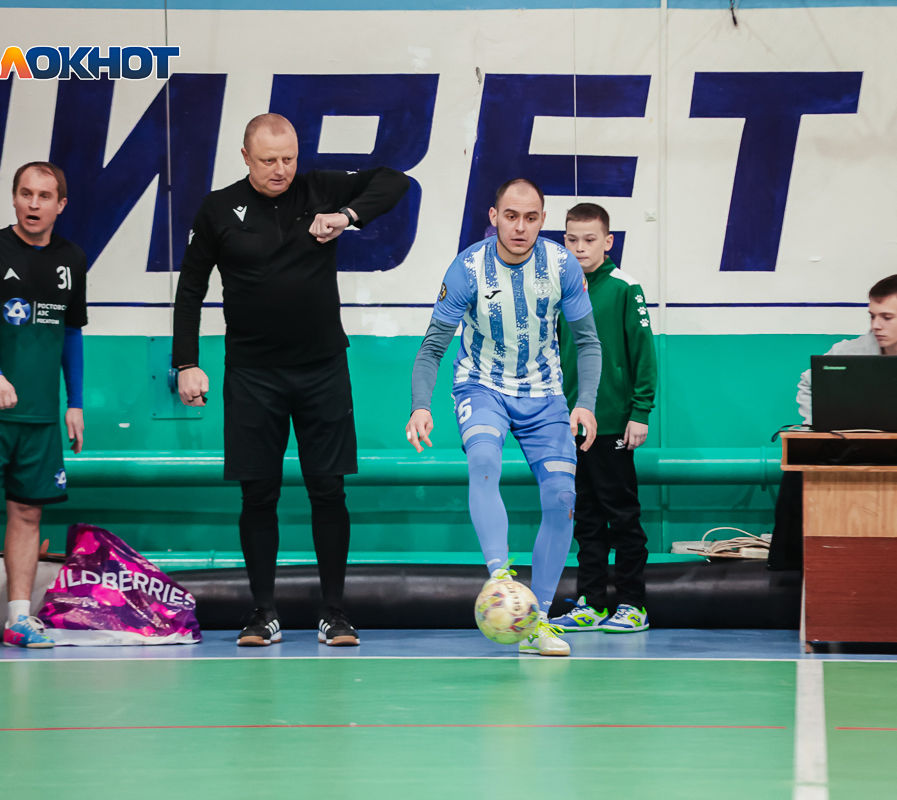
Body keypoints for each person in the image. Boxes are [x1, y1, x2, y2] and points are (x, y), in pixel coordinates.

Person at [173, 114, 408, 648]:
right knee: (258, 494)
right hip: (252, 374)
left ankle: (335, 613)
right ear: (245, 157)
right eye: (268, 160)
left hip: (322, 368)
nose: (281, 169)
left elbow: (394, 181)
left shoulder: (319, 189)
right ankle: (263, 613)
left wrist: (346, 216)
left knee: (329, 489)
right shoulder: (217, 209)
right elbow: (190, 288)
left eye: (289, 158)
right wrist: (186, 362)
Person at [406, 179, 602, 656]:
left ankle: (537, 622)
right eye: (511, 216)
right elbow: (432, 347)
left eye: (531, 218)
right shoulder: (467, 269)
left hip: (544, 396)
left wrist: (586, 402)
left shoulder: (562, 266)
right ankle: (501, 581)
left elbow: (588, 342)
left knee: (562, 498)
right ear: (494, 217)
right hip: (482, 386)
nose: (520, 227)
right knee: (484, 461)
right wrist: (421, 405)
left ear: (542, 220)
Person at [0, 162, 87, 652]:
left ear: (60, 204)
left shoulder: (72, 259)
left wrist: (75, 402)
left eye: (44, 196)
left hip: (40, 415)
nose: (33, 204)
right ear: (14, 198)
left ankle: (20, 619)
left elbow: (71, 332)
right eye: (26, 193)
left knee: (27, 513)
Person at [767, 274, 897, 571]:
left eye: (886, 317)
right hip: (853, 451)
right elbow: (808, 383)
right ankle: (788, 571)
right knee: (797, 470)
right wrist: (818, 423)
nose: (876, 325)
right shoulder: (849, 351)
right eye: (872, 316)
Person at [548, 203, 657, 634]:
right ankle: (591, 603)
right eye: (572, 239)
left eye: (590, 239)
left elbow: (643, 355)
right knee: (586, 518)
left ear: (608, 241)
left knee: (623, 517)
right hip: (571, 426)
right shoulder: (558, 291)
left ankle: (632, 604)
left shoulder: (625, 288)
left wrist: (640, 412)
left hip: (612, 423)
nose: (580, 248)